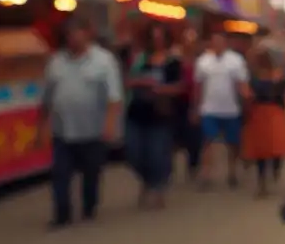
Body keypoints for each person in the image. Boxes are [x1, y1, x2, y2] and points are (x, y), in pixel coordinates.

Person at [37, 17, 123, 228]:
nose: (73, 38)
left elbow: (114, 97)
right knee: (60, 173)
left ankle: (89, 205)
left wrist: (110, 124)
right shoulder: (56, 62)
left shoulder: (104, 61)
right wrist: (41, 128)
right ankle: (62, 214)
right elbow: (46, 98)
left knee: (91, 173)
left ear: (87, 34)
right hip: (63, 130)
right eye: (69, 34)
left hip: (92, 131)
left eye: (77, 33)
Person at [125, 24, 183, 209]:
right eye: (153, 37)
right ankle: (148, 180)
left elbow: (179, 87)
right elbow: (127, 81)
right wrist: (141, 82)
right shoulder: (139, 59)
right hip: (137, 112)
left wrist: (161, 89)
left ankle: (158, 187)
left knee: (157, 154)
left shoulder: (173, 62)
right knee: (133, 153)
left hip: (160, 113)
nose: (157, 41)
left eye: (160, 37)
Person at [194, 31, 250, 189]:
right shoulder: (203, 61)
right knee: (207, 141)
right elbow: (198, 86)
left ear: (225, 43)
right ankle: (206, 175)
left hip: (231, 109)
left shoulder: (236, 61)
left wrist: (247, 102)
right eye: (214, 41)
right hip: (209, 109)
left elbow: (242, 84)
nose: (217, 45)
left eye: (220, 41)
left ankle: (232, 172)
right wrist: (195, 107)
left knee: (232, 143)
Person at [242, 47, 285, 197]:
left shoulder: (277, 76)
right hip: (260, 113)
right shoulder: (253, 77)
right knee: (262, 149)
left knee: (276, 145)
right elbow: (249, 95)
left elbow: (283, 94)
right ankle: (263, 181)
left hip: (273, 112)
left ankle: (274, 171)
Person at [172, 26, 204, 181]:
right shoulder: (175, 59)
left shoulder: (201, 61)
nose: (189, 43)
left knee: (193, 138)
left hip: (193, 102)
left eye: (193, 40)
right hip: (176, 102)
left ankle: (193, 166)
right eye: (187, 40)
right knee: (173, 136)